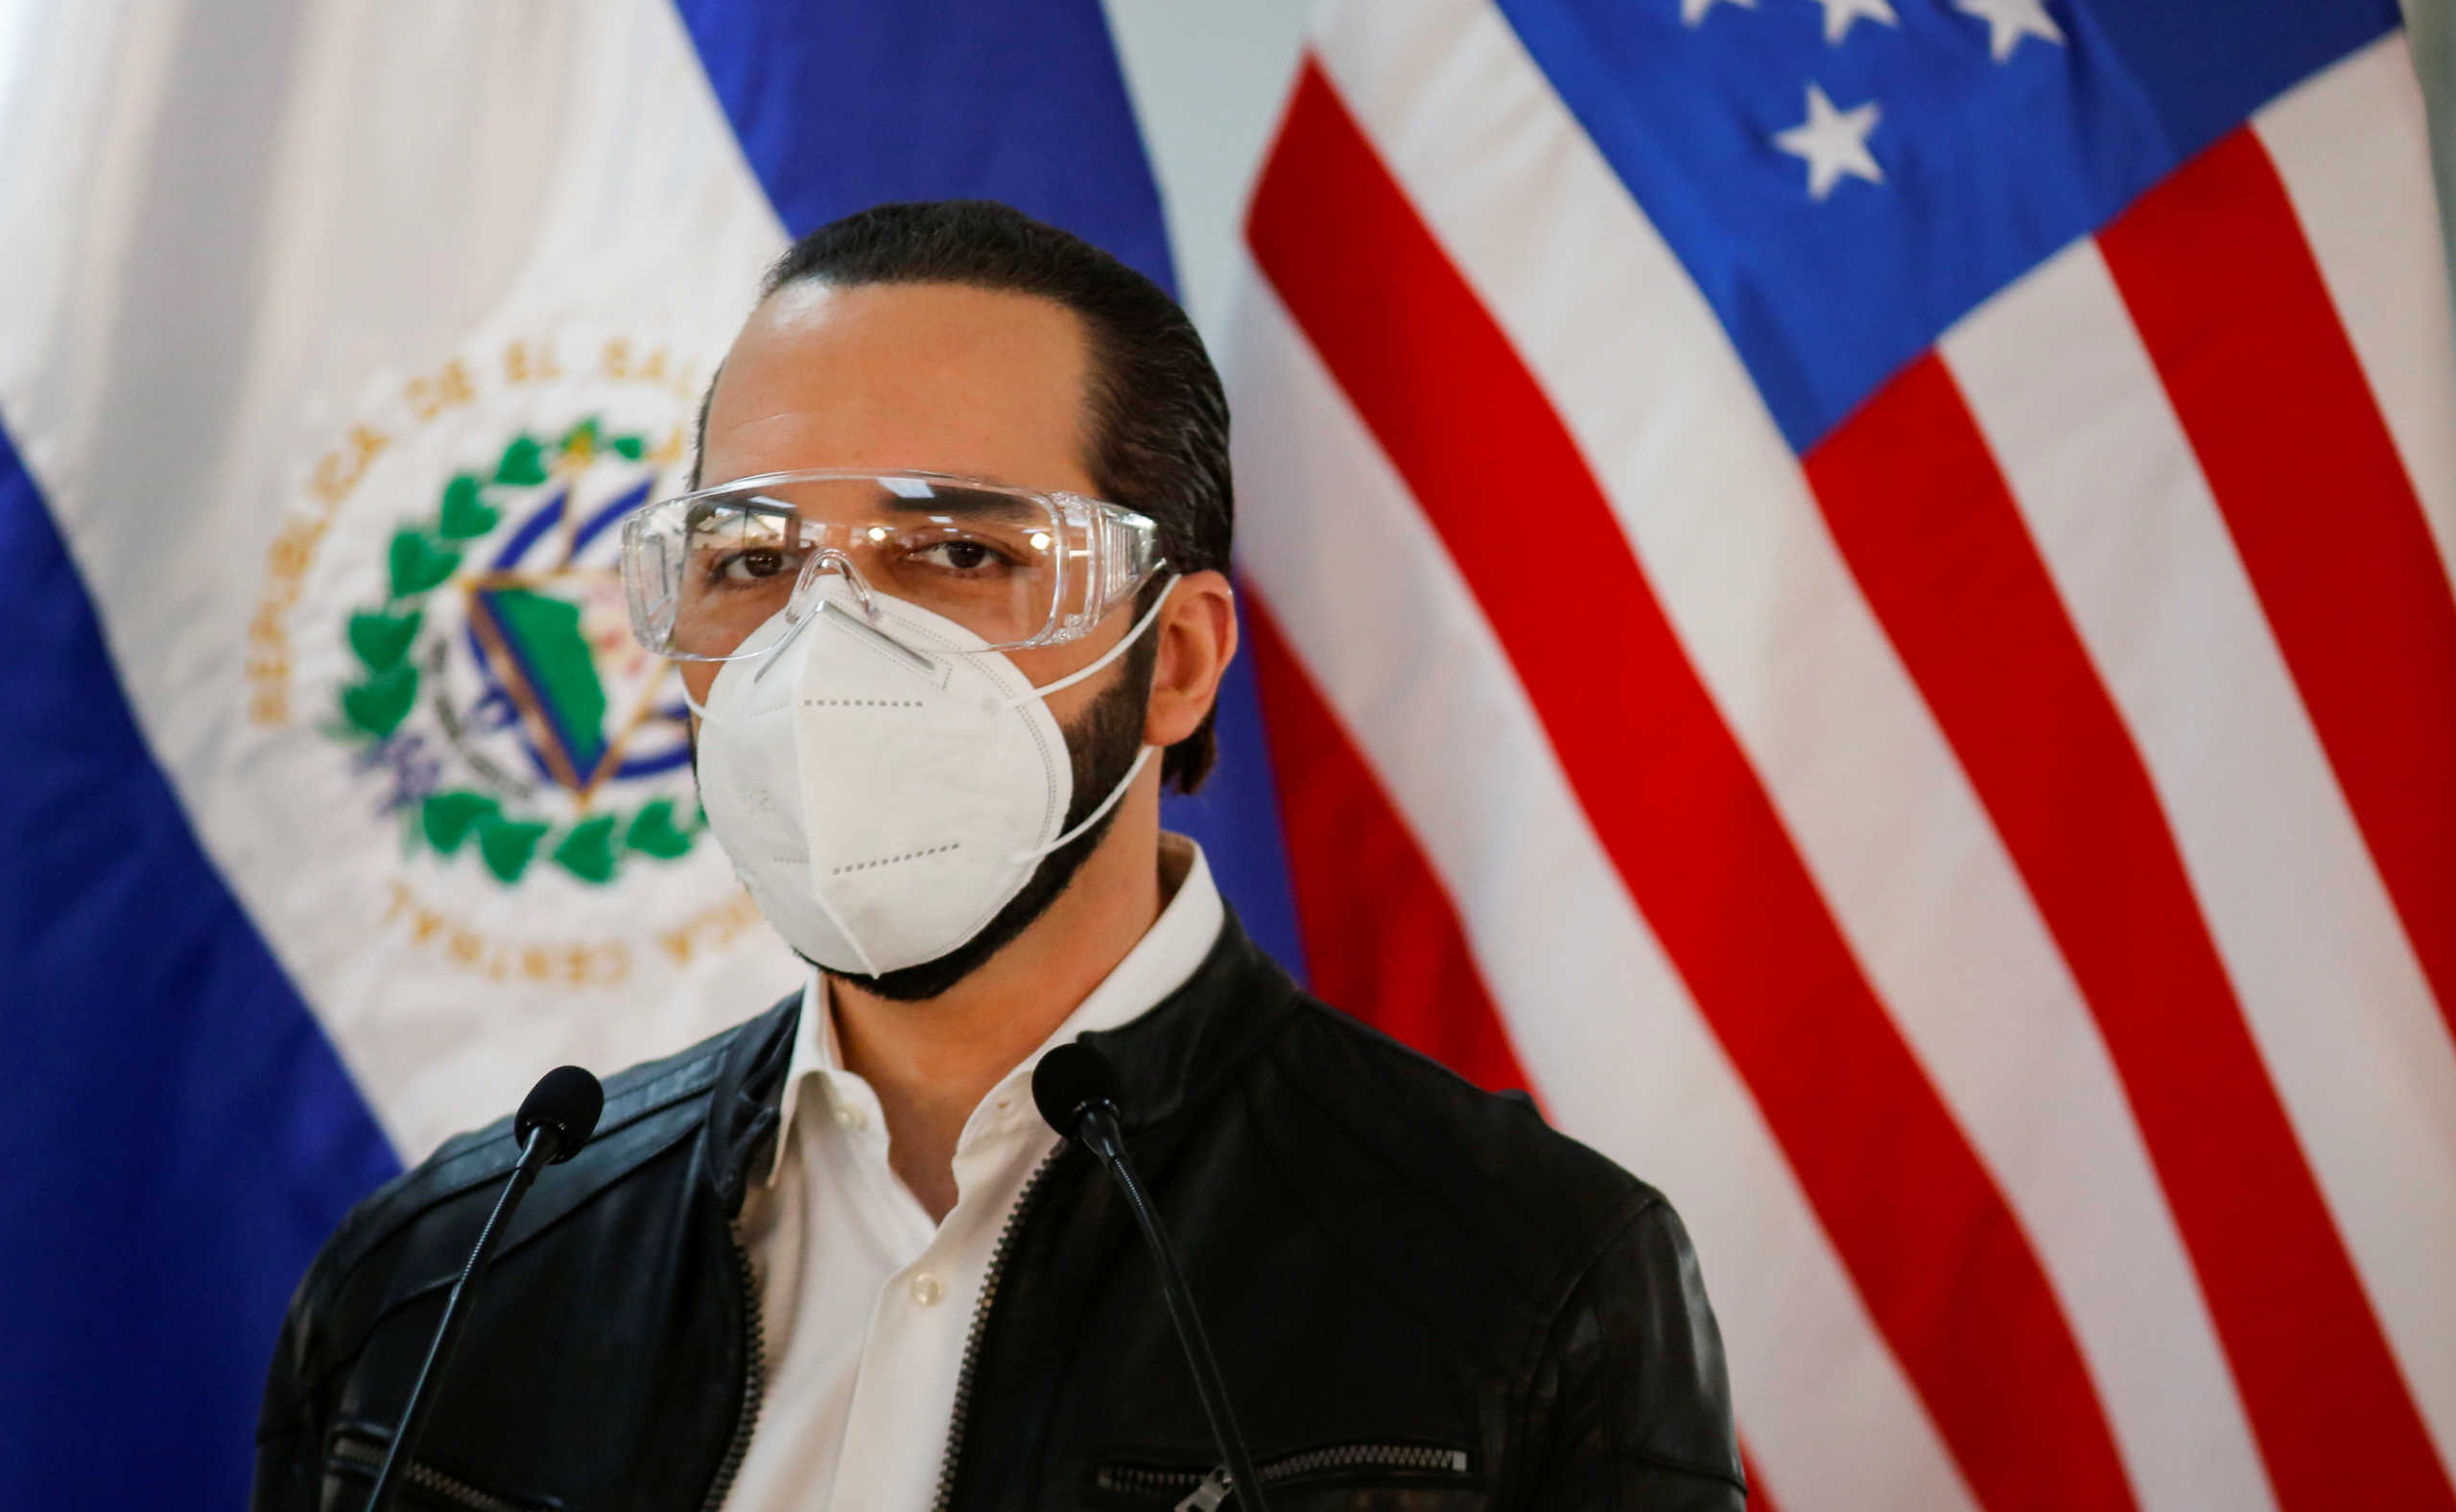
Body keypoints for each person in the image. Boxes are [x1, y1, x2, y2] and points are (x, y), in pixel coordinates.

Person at [253, 201, 1744, 1512]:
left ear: (1178, 661)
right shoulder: (451, 1274)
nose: (821, 648)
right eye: (754, 560)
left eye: (958, 553)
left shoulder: (1527, 1284)